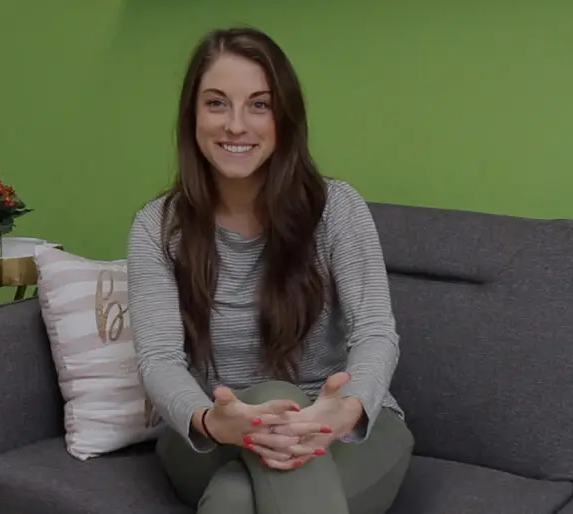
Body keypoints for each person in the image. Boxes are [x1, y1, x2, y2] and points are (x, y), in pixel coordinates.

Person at [126, 26, 414, 514]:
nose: (236, 125)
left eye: (258, 105)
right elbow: (158, 358)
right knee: (276, 397)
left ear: (284, 118)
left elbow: (375, 331)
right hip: (212, 434)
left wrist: (345, 411)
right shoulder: (159, 227)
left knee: (235, 500)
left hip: (341, 427)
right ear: (192, 116)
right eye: (217, 103)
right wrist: (212, 421)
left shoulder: (335, 208)